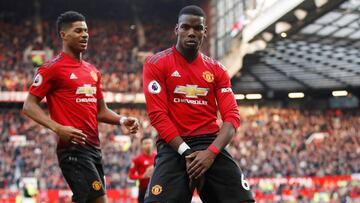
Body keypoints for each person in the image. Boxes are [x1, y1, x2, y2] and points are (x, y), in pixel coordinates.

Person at [23, 11, 139, 203]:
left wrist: (122, 120)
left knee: (82, 199)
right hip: (73, 150)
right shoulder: (52, 68)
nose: (84, 35)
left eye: (85, 31)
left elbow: (100, 111)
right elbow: (29, 106)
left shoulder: (93, 71)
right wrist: (58, 128)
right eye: (78, 31)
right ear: (63, 35)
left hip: (94, 148)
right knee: (99, 200)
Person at [143, 5, 255, 203]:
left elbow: (232, 118)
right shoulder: (156, 63)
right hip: (174, 145)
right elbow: (157, 116)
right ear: (177, 30)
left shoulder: (217, 70)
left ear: (205, 31)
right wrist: (187, 153)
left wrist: (211, 153)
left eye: (197, 28)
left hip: (209, 144)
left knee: (244, 200)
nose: (191, 33)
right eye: (186, 27)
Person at [128, 135, 156, 203]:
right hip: (143, 189)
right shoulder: (137, 159)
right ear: (141, 145)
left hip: (156, 188)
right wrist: (142, 176)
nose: (148, 145)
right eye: (145, 143)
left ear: (153, 144)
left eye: (149, 143)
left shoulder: (158, 157)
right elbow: (130, 176)